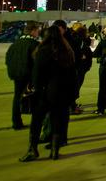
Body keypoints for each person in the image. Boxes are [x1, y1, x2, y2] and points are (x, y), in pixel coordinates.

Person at [19, 25, 77, 162]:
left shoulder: (43, 51)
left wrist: (36, 88)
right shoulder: (67, 51)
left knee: (37, 121)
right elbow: (73, 75)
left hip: (44, 93)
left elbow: (37, 74)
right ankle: (54, 151)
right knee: (57, 121)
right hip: (62, 93)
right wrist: (72, 94)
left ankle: (32, 150)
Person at [5, 21, 40, 130]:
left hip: (16, 74)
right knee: (35, 98)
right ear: (33, 31)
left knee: (17, 97)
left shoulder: (15, 44)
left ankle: (16, 122)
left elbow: (8, 59)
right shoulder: (34, 44)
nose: (38, 33)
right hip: (29, 75)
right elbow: (37, 61)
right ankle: (36, 122)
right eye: (37, 31)